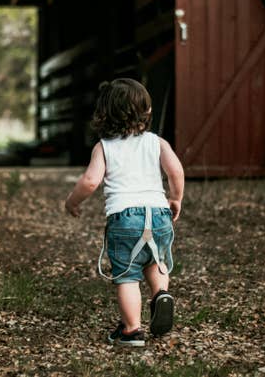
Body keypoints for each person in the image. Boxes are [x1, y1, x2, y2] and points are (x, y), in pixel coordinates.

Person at [64, 78, 184, 347]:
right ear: (148, 111)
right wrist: (175, 197)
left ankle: (132, 330)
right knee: (156, 261)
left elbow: (90, 181)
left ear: (103, 114)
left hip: (125, 218)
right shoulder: (157, 142)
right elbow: (175, 170)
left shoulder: (104, 147)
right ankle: (160, 294)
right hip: (159, 213)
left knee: (127, 276)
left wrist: (72, 202)